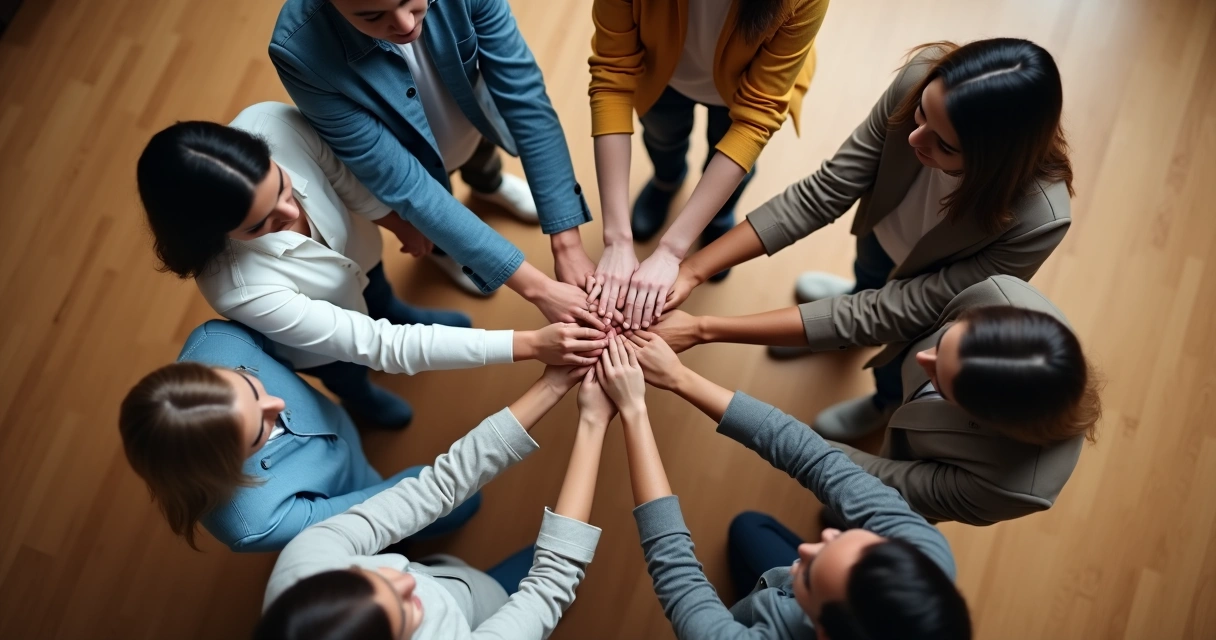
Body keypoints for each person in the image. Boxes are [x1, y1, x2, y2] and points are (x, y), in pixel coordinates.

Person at [662, 38, 1074, 433]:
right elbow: (825, 190)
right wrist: (692, 270)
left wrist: (705, 329)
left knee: (901, 360)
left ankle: (884, 403)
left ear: (994, 161)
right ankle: (835, 318)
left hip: (925, 311)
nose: (915, 139)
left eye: (943, 144)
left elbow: (895, 311)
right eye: (922, 114)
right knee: (867, 275)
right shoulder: (922, 76)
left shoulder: (1038, 219)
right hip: (882, 231)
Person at [137, 103, 606, 429]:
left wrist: (396, 222)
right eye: (260, 225)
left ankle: (400, 308)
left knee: (379, 294)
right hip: (324, 348)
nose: (292, 214)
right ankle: (362, 401)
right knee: (349, 370)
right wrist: (528, 343)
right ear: (211, 234)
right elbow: (375, 344)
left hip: (362, 255)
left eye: (284, 187)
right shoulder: (237, 288)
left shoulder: (272, 122)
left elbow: (340, 174)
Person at [595, 333, 970, 639]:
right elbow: (815, 460)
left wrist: (634, 411)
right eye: (838, 538)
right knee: (748, 526)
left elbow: (675, 569)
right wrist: (680, 377)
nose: (803, 548)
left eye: (808, 575)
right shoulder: (925, 558)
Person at [647, 275, 1103, 525]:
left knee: (855, 505)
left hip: (907, 477)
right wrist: (705, 328)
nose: (921, 356)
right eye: (943, 344)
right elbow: (887, 319)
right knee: (896, 373)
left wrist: (683, 380)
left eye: (941, 381)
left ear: (982, 419)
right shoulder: (1001, 296)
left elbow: (871, 477)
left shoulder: (1008, 487)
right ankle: (885, 404)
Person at [270, 0, 608, 330]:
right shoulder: (298, 51)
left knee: (482, 160)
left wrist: (568, 243)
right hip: (410, 160)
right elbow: (407, 185)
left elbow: (525, 100)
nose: (405, 24)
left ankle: (490, 186)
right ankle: (447, 252)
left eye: (410, 1)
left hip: (471, 119)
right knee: (431, 217)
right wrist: (538, 288)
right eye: (373, 15)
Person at [254, 362, 610, 640]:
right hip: (482, 608)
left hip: (453, 577)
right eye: (405, 609)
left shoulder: (307, 562)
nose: (404, 574)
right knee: (519, 588)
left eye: (368, 578)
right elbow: (549, 586)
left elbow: (435, 486)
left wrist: (551, 385)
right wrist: (593, 422)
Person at [118, 321, 482, 553]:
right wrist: (433, 493)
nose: (277, 401)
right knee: (440, 506)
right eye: (260, 428)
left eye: (248, 381)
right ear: (225, 463)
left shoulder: (218, 341)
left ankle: (362, 400)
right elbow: (367, 511)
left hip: (339, 421)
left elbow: (303, 348)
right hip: (349, 488)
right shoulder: (256, 523)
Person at [587, 0, 830, 328]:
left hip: (749, 84)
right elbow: (612, 72)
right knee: (662, 142)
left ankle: (718, 213)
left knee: (735, 164)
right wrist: (617, 238)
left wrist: (672, 250)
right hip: (659, 71)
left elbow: (756, 118)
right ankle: (667, 181)